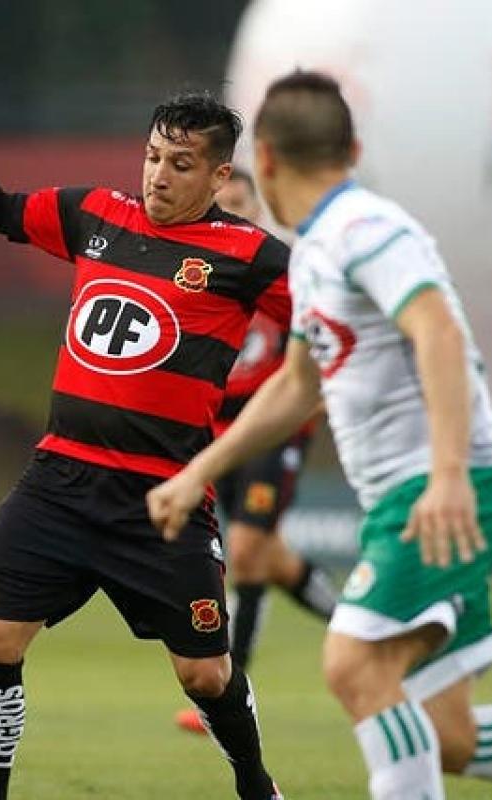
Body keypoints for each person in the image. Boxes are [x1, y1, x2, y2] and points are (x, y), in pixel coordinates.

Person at [147, 69, 492, 799]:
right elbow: (298, 384)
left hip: (436, 494)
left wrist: (447, 474)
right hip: (418, 496)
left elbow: (436, 329)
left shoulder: (365, 229)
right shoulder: (317, 248)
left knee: (353, 667)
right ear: (352, 148)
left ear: (264, 160)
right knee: (448, 733)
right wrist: (197, 472)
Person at [0, 92, 290, 799]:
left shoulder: (252, 255)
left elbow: (329, 316)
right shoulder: (97, 214)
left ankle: (257, 787)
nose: (158, 175)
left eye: (180, 164)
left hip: (161, 500)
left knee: (205, 674)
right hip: (59, 481)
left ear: (219, 176)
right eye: (152, 157)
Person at [175, 168, 338, 736]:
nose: (231, 212)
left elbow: (318, 341)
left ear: (258, 208)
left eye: (240, 203)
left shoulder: (281, 270)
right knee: (267, 558)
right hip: (216, 433)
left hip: (274, 428)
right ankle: (363, 627)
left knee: (244, 550)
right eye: (222, 203)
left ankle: (230, 689)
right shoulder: (197, 271)